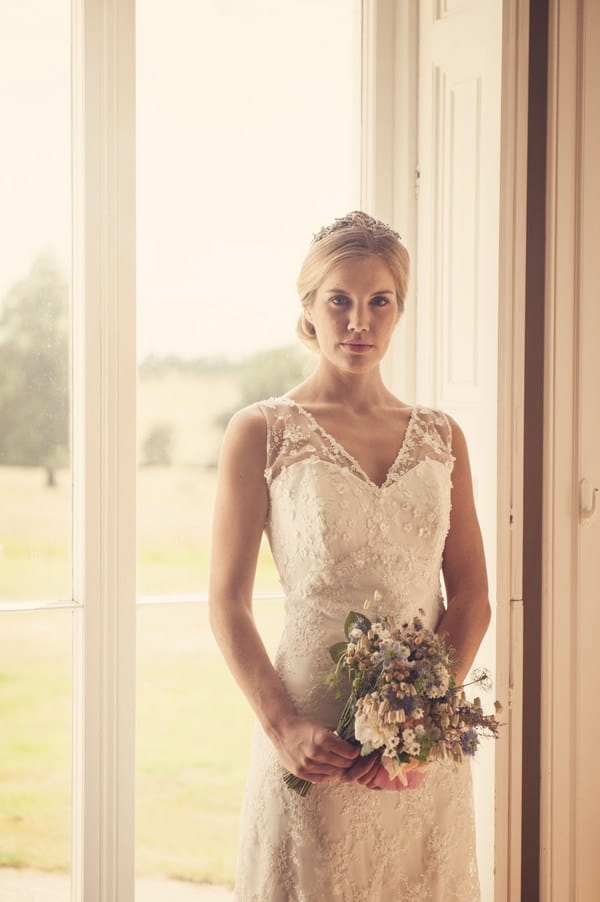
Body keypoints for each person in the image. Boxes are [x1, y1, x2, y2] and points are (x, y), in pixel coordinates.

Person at [209, 211, 491, 901]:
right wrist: (283, 726)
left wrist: (420, 726)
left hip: (420, 752)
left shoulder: (440, 436)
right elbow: (226, 602)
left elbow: (472, 597)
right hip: (314, 738)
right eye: (339, 300)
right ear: (309, 306)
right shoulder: (262, 432)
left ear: (399, 310)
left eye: (378, 302)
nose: (357, 321)